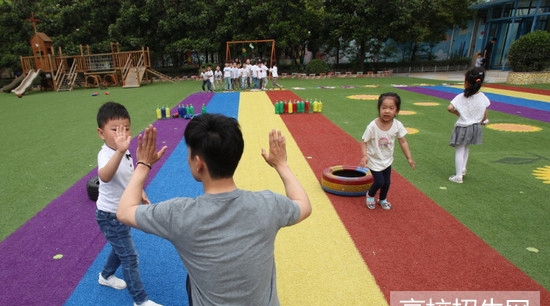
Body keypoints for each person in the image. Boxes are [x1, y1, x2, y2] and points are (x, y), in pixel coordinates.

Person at [117, 114, 312, 305]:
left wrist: (143, 164)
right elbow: (304, 205)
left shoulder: (178, 214)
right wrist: (282, 165)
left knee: (191, 281)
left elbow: (124, 211)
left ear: (198, 163)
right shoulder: (269, 204)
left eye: (189, 154)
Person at [95, 102, 161, 306]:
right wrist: (119, 151)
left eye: (126, 129)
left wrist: (140, 191)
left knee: (119, 248)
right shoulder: (106, 154)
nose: (121, 134)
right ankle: (140, 301)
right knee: (130, 257)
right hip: (109, 215)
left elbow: (130, 176)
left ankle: (105, 276)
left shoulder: (126, 151)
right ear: (101, 133)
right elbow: (104, 176)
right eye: (114, 130)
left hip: (123, 211)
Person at [359, 92, 415, 210]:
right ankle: (370, 195)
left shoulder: (397, 125)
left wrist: (409, 158)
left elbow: (403, 141)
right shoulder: (372, 126)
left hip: (387, 159)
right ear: (379, 108)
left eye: (391, 108)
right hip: (374, 159)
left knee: (387, 182)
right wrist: (364, 156)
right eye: (384, 107)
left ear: (397, 111)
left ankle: (383, 198)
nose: (387, 111)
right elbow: (364, 141)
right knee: (379, 181)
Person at [447, 67, 490, 184]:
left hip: (463, 126)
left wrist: (459, 114)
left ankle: (458, 176)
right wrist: (483, 120)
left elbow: (450, 108)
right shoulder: (482, 97)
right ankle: (463, 169)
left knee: (460, 149)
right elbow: (485, 111)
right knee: (466, 147)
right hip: (475, 126)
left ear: (466, 82)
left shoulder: (462, 97)